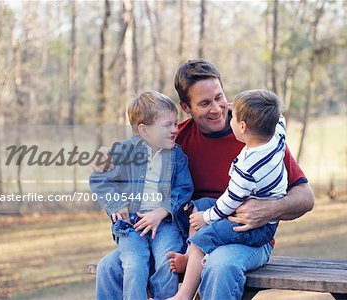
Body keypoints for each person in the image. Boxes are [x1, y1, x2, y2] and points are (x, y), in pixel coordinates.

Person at [92, 59, 314, 299]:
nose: (217, 109)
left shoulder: (257, 136)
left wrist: (271, 209)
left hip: (245, 237)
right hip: (187, 235)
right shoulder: (176, 140)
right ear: (186, 107)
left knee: (219, 265)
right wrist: (107, 157)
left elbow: (305, 197)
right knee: (109, 268)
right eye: (205, 103)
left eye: (219, 97)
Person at [168, 89, 288, 300]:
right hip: (249, 218)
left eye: (233, 116)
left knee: (201, 238)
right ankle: (190, 258)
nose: (224, 113)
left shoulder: (248, 168)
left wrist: (206, 218)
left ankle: (183, 296)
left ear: (243, 127)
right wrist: (247, 110)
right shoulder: (276, 137)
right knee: (200, 204)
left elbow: (229, 202)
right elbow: (279, 119)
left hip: (254, 228)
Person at [89, 90, 193, 300]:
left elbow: (184, 189)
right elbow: (99, 180)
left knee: (167, 260)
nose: (175, 130)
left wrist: (162, 210)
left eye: (175, 123)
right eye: (168, 125)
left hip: (165, 224)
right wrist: (116, 204)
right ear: (144, 130)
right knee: (134, 264)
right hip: (131, 225)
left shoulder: (177, 155)